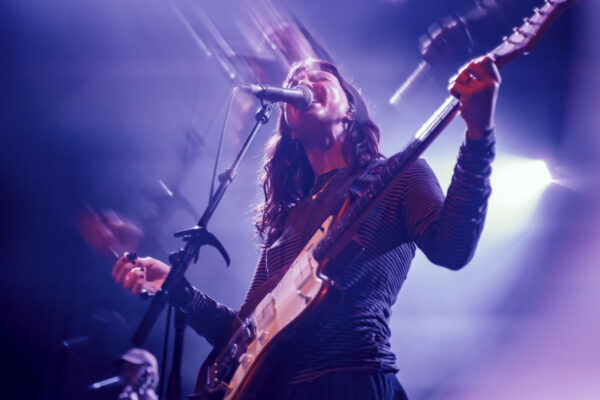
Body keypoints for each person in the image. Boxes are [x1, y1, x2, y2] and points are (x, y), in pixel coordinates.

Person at [113, 55, 500, 399]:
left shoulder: (396, 175)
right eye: (296, 80)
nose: (305, 83)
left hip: (349, 379)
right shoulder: (287, 220)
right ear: (290, 129)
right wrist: (179, 290)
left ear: (349, 110)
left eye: (321, 78)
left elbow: (453, 247)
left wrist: (478, 136)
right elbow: (244, 334)